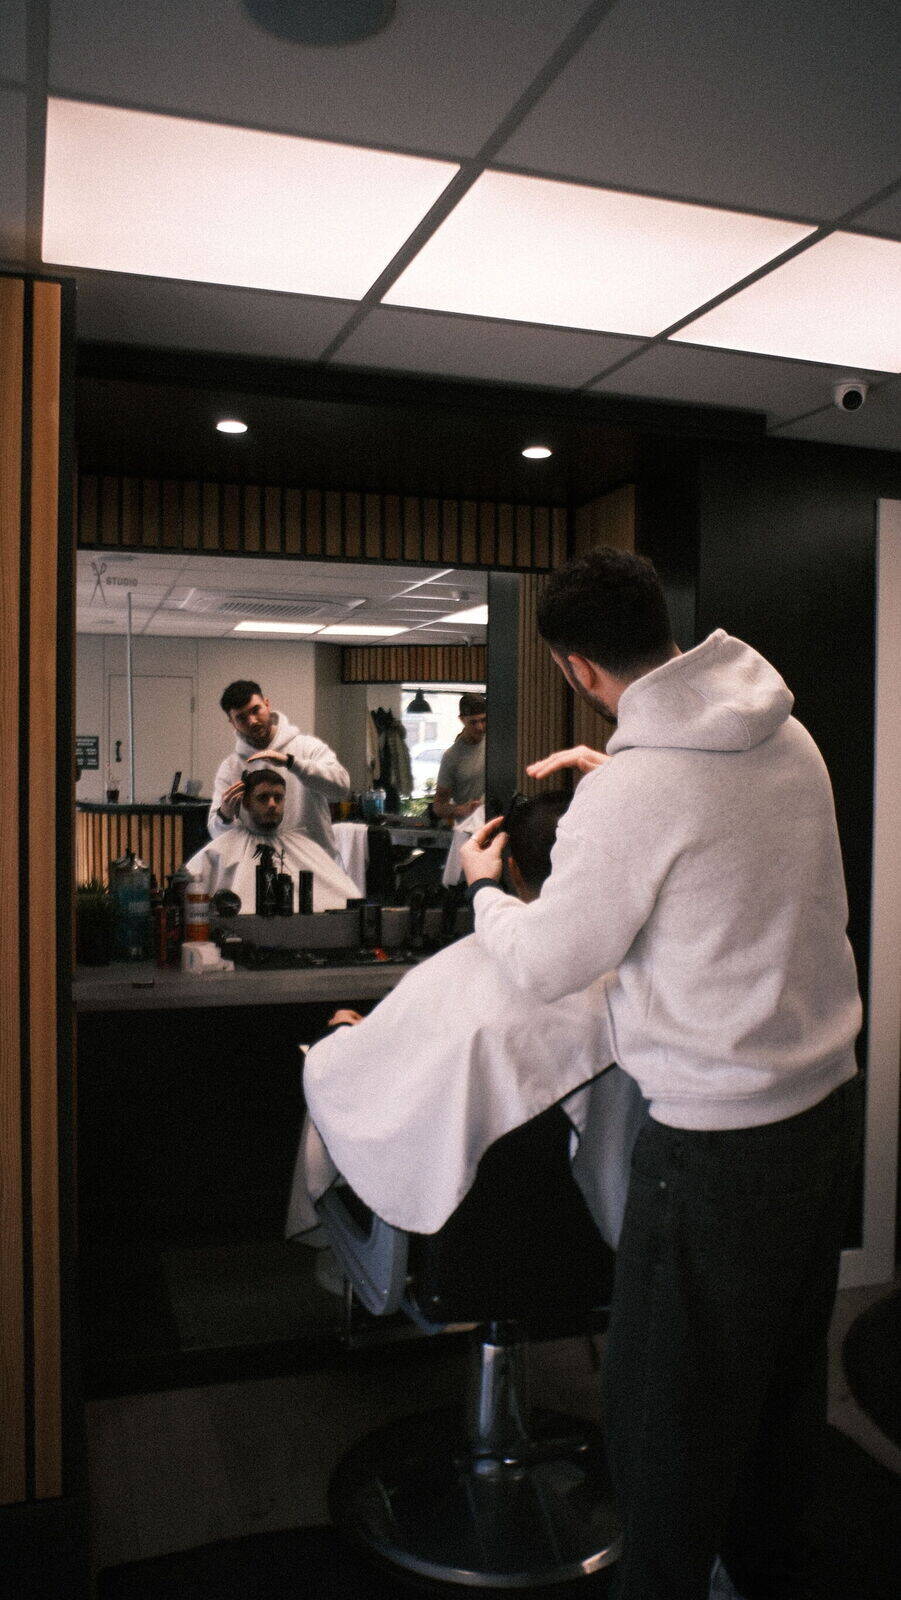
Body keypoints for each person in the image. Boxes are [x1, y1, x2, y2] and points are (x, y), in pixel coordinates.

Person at [460, 546, 863, 1600]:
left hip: (715, 1151)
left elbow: (547, 962)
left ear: (576, 668)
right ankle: (761, 1572)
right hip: (824, 1116)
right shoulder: (785, 733)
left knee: (661, 1414)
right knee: (778, 1383)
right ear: (665, 626)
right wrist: (614, 780)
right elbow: (719, 838)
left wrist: (484, 889)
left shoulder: (639, 789)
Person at [286, 791, 645, 1249]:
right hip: (600, 1239)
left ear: (512, 869)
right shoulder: (646, 979)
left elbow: (355, 1084)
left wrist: (341, 1037)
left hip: (473, 1239)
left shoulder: (463, 966)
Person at [209, 679, 349, 861]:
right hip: (260, 867)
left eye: (255, 710)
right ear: (232, 722)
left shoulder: (307, 748)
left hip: (315, 863)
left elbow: (341, 788)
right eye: (241, 718)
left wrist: (293, 764)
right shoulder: (231, 767)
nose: (252, 721)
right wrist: (225, 815)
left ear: (267, 704)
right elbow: (216, 832)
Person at [187, 766, 358, 911]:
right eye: (263, 798)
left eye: (278, 798)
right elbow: (188, 885)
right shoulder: (224, 847)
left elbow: (344, 897)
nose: (272, 804)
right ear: (246, 803)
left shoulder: (306, 847)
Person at [431, 692, 486, 822]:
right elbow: (438, 807)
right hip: (468, 828)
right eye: (473, 722)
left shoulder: (495, 743)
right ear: (462, 719)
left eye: (483, 720)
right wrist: (461, 809)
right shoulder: (452, 757)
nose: (480, 727)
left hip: (496, 825)